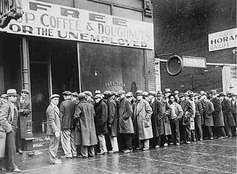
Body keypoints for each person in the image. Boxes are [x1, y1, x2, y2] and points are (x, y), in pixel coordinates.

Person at [0, 89, 21, 172]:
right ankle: (13, 166)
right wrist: (9, 129)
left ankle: (7, 166)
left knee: (10, 148)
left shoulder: (13, 105)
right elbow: (1, 118)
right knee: (11, 148)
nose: (15, 98)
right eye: (13, 96)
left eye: (15, 96)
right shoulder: (6, 105)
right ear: (9, 97)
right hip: (8, 130)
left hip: (13, 129)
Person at [73, 93, 97, 158]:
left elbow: (76, 116)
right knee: (91, 139)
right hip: (91, 125)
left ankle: (85, 154)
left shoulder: (79, 105)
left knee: (84, 139)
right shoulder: (91, 105)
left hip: (83, 125)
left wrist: (77, 124)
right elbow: (94, 114)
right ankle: (92, 153)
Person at [59, 91, 77, 158]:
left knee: (66, 139)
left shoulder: (63, 103)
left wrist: (60, 124)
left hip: (65, 124)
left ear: (65, 96)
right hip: (73, 124)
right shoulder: (74, 103)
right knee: (73, 139)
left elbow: (61, 115)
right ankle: (74, 153)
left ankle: (68, 154)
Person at [46, 94, 62, 164]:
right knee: (53, 145)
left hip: (56, 129)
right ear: (51, 100)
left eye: (58, 99)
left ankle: (54, 157)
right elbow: (51, 121)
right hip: (53, 130)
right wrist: (56, 131)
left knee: (55, 145)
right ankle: (52, 160)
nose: (57, 101)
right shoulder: (51, 108)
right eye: (55, 99)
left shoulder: (55, 107)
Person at [17, 89, 31, 154]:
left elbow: (29, 110)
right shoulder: (16, 99)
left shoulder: (28, 101)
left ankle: (21, 148)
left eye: (26, 94)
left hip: (22, 119)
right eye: (24, 94)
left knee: (22, 134)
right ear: (21, 93)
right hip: (15, 119)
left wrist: (23, 111)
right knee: (16, 134)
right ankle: (17, 148)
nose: (25, 95)